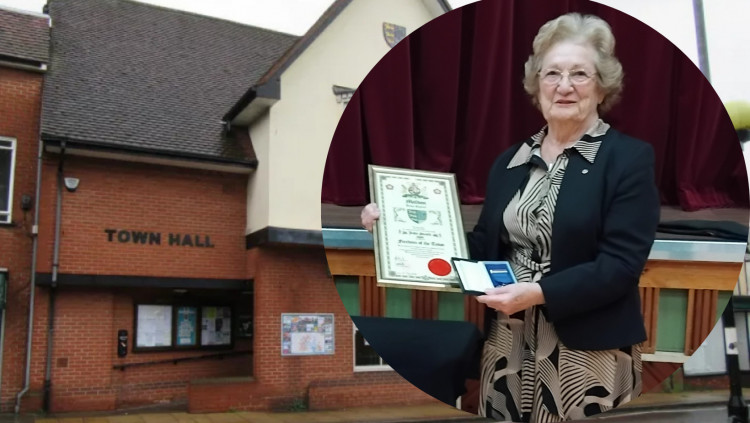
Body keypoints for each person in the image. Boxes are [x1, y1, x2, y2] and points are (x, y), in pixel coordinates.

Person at [361, 12, 659, 423]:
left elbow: (620, 266)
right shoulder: (510, 162)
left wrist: (537, 293)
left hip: (587, 353)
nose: (565, 86)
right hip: (508, 344)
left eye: (580, 74)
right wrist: (395, 226)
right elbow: (483, 248)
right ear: (536, 84)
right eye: (552, 73)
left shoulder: (628, 159)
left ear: (603, 85)